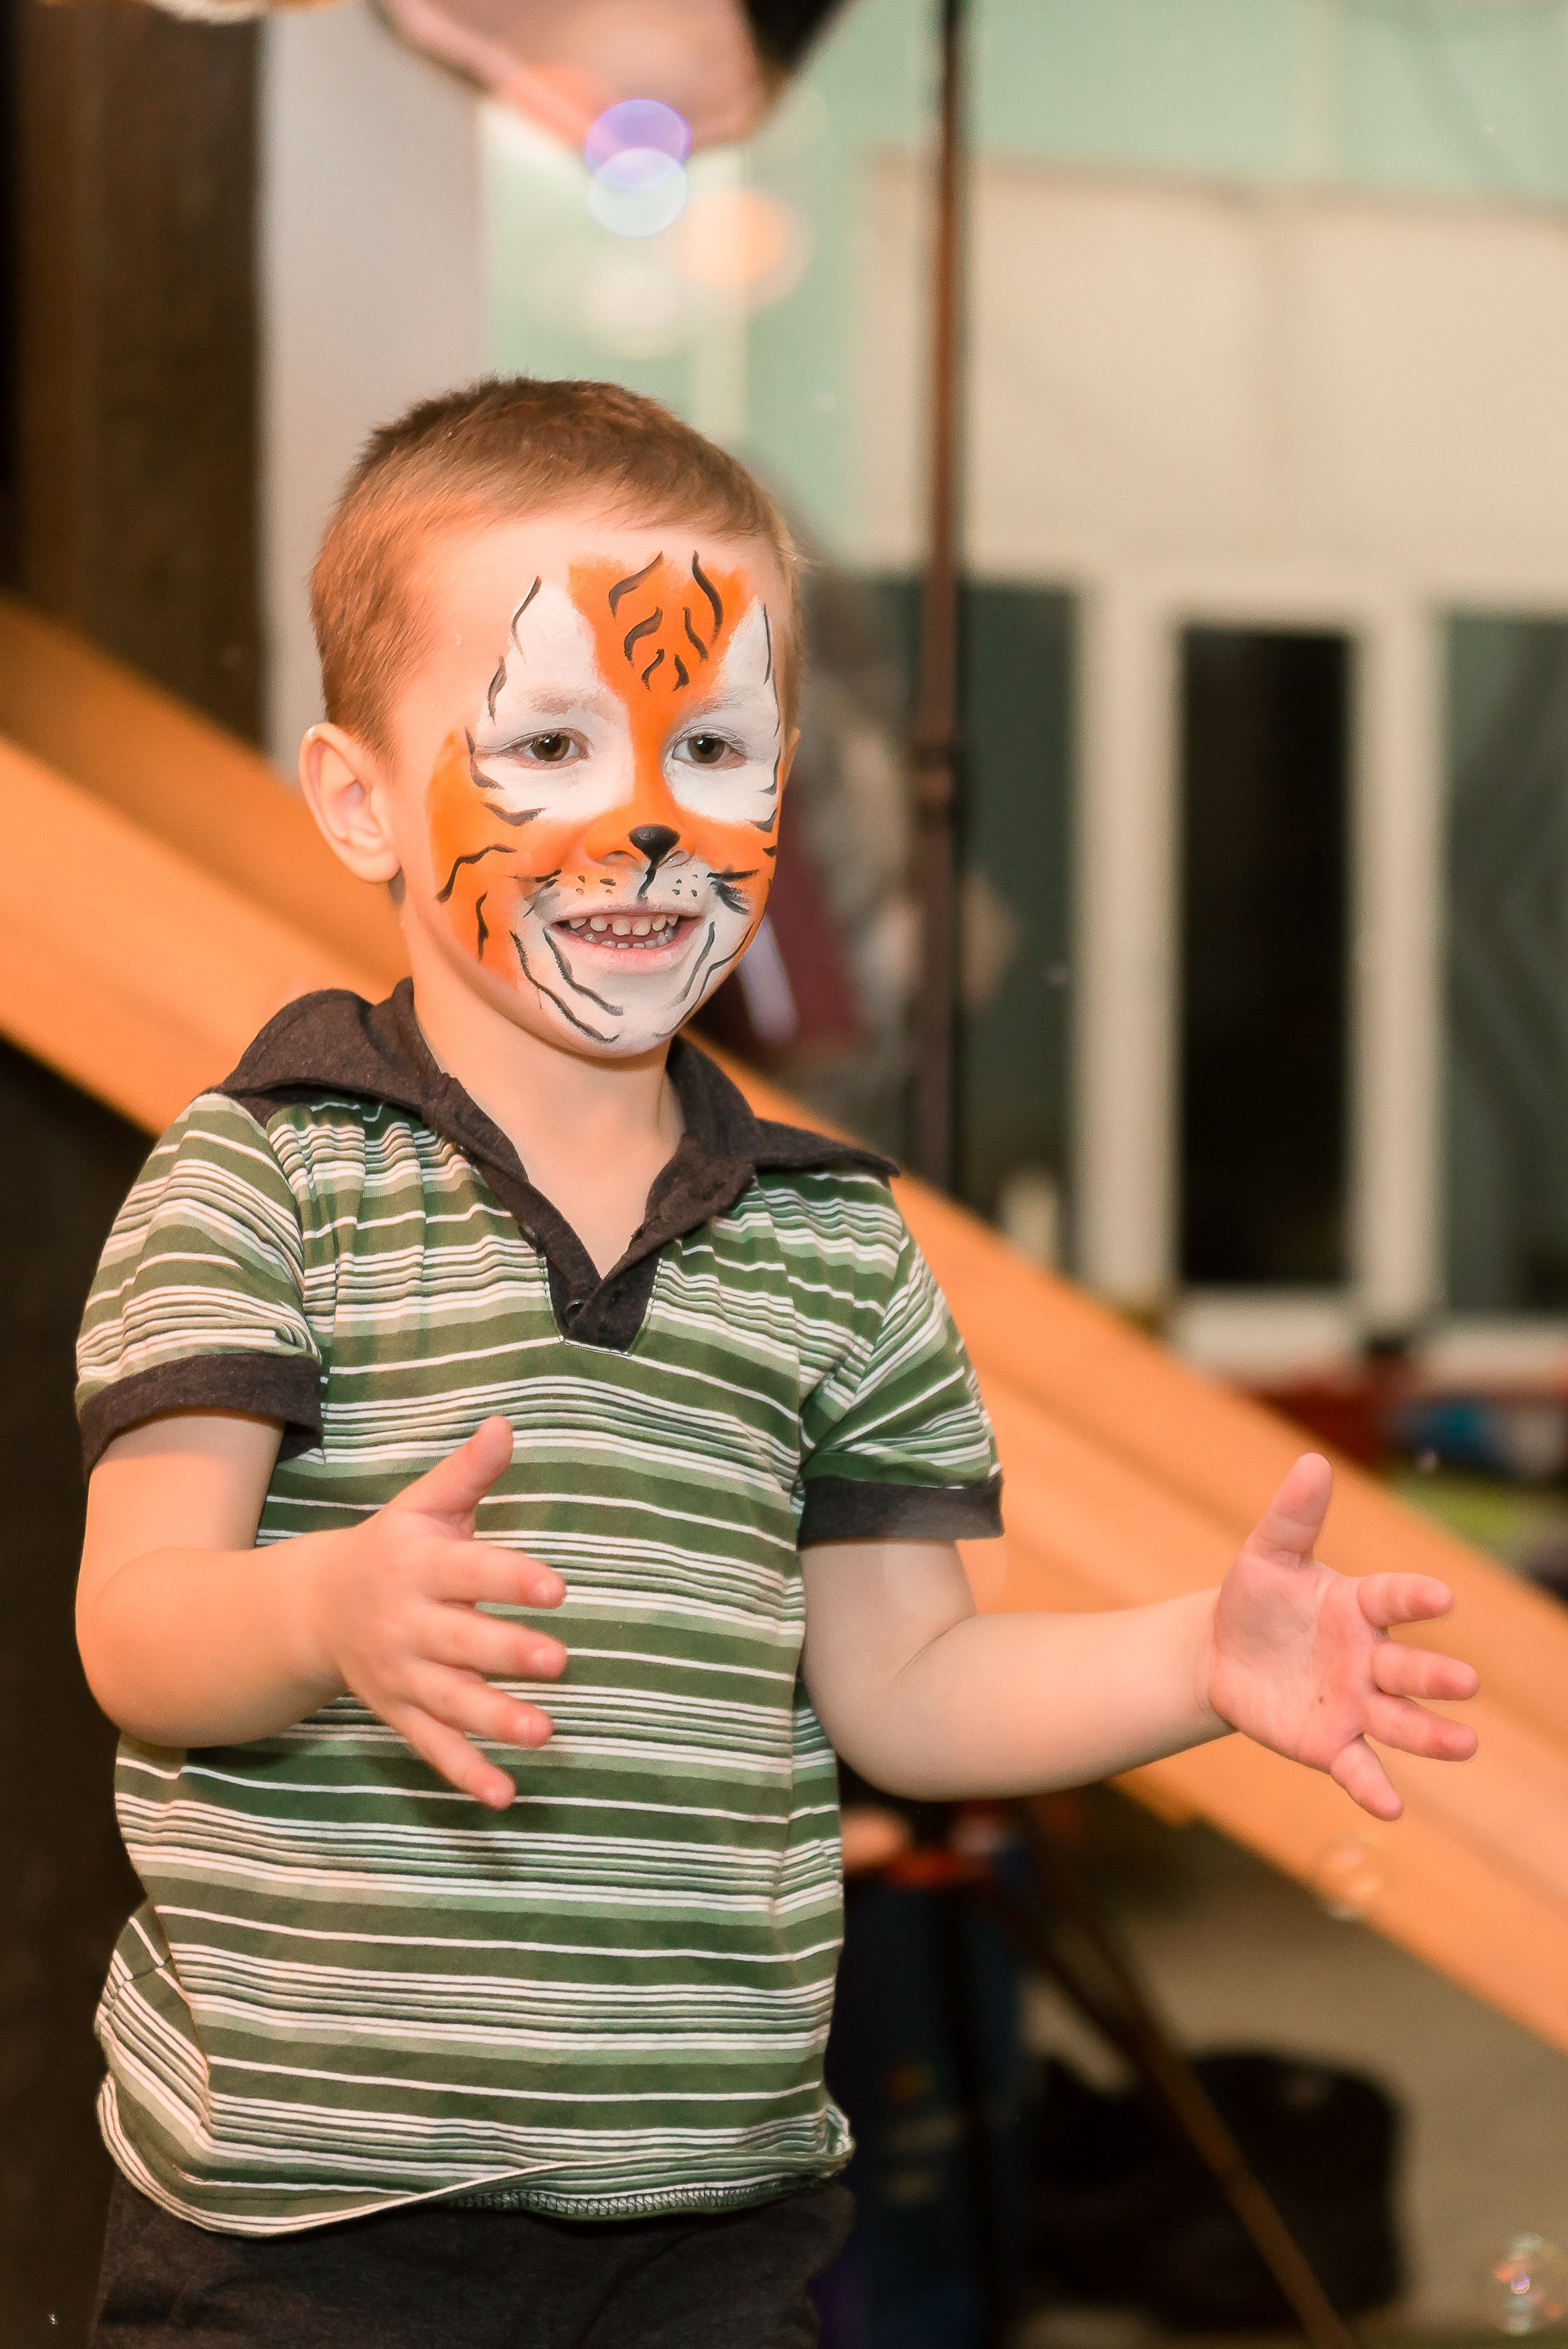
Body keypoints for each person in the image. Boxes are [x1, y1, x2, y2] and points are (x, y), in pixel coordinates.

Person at [72, 377, 1479, 2349]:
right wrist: (323, 1607)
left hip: (713, 2213)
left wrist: (1197, 1664)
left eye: (710, 746)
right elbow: (134, 1624)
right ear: (359, 797)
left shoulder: (833, 1242)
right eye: (550, 740)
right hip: (310, 2212)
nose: (647, 817)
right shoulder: (265, 1174)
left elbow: (904, 1687)